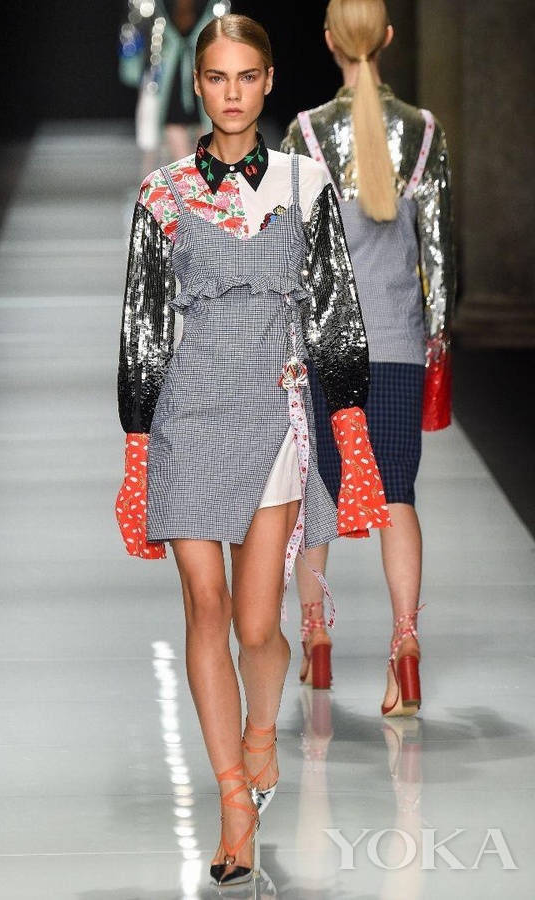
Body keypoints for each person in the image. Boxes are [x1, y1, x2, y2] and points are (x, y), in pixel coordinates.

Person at [115, 13, 390, 887]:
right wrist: (136, 452)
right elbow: (143, 326)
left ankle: (262, 733)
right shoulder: (161, 195)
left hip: (276, 413)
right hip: (189, 415)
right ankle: (234, 798)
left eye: (246, 77)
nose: (231, 94)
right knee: (206, 606)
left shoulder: (305, 184)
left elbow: (336, 308)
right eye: (216, 78)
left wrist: (350, 429)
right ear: (198, 86)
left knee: (258, 625)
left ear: (269, 81)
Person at [281, 0, 456, 713]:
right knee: (398, 496)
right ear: (387, 37)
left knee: (316, 495)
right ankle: (405, 645)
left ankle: (316, 637)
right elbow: (438, 254)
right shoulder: (424, 132)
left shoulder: (304, 134)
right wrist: (436, 340)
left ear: (329, 40)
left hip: (325, 345)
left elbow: (292, 252)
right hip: (397, 345)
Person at [119, 1, 232, 161]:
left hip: (183, 70)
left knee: (191, 122)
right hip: (181, 70)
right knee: (188, 121)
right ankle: (194, 170)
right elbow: (135, 28)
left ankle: (193, 170)